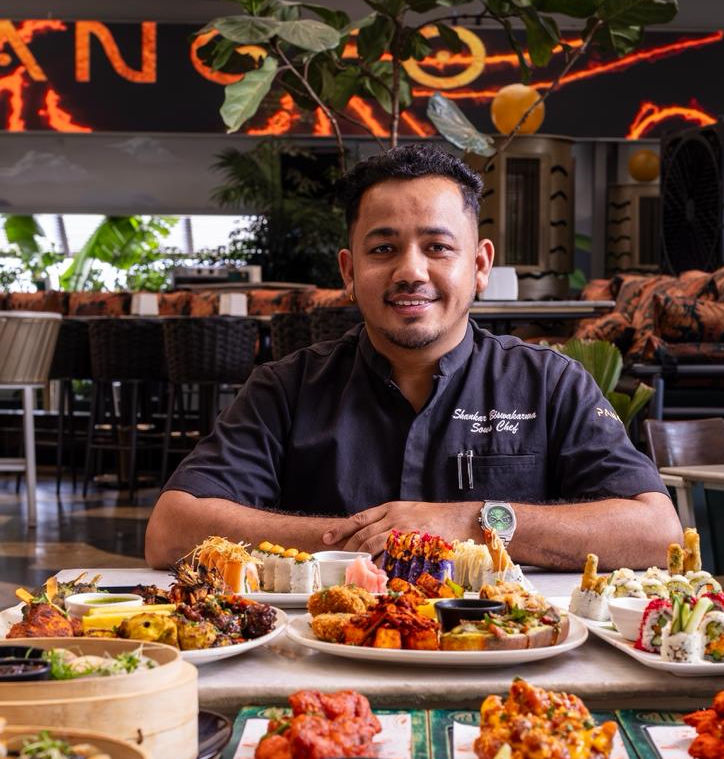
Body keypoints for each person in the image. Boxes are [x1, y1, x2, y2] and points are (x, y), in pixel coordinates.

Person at [145, 144, 680, 569]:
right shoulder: (286, 388)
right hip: (325, 654)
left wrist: (472, 523)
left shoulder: (549, 383)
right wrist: (364, 540)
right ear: (349, 271)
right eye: (383, 249)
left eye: (437, 247)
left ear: (479, 265)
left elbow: (657, 533)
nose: (411, 271)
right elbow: (171, 529)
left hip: (504, 650)